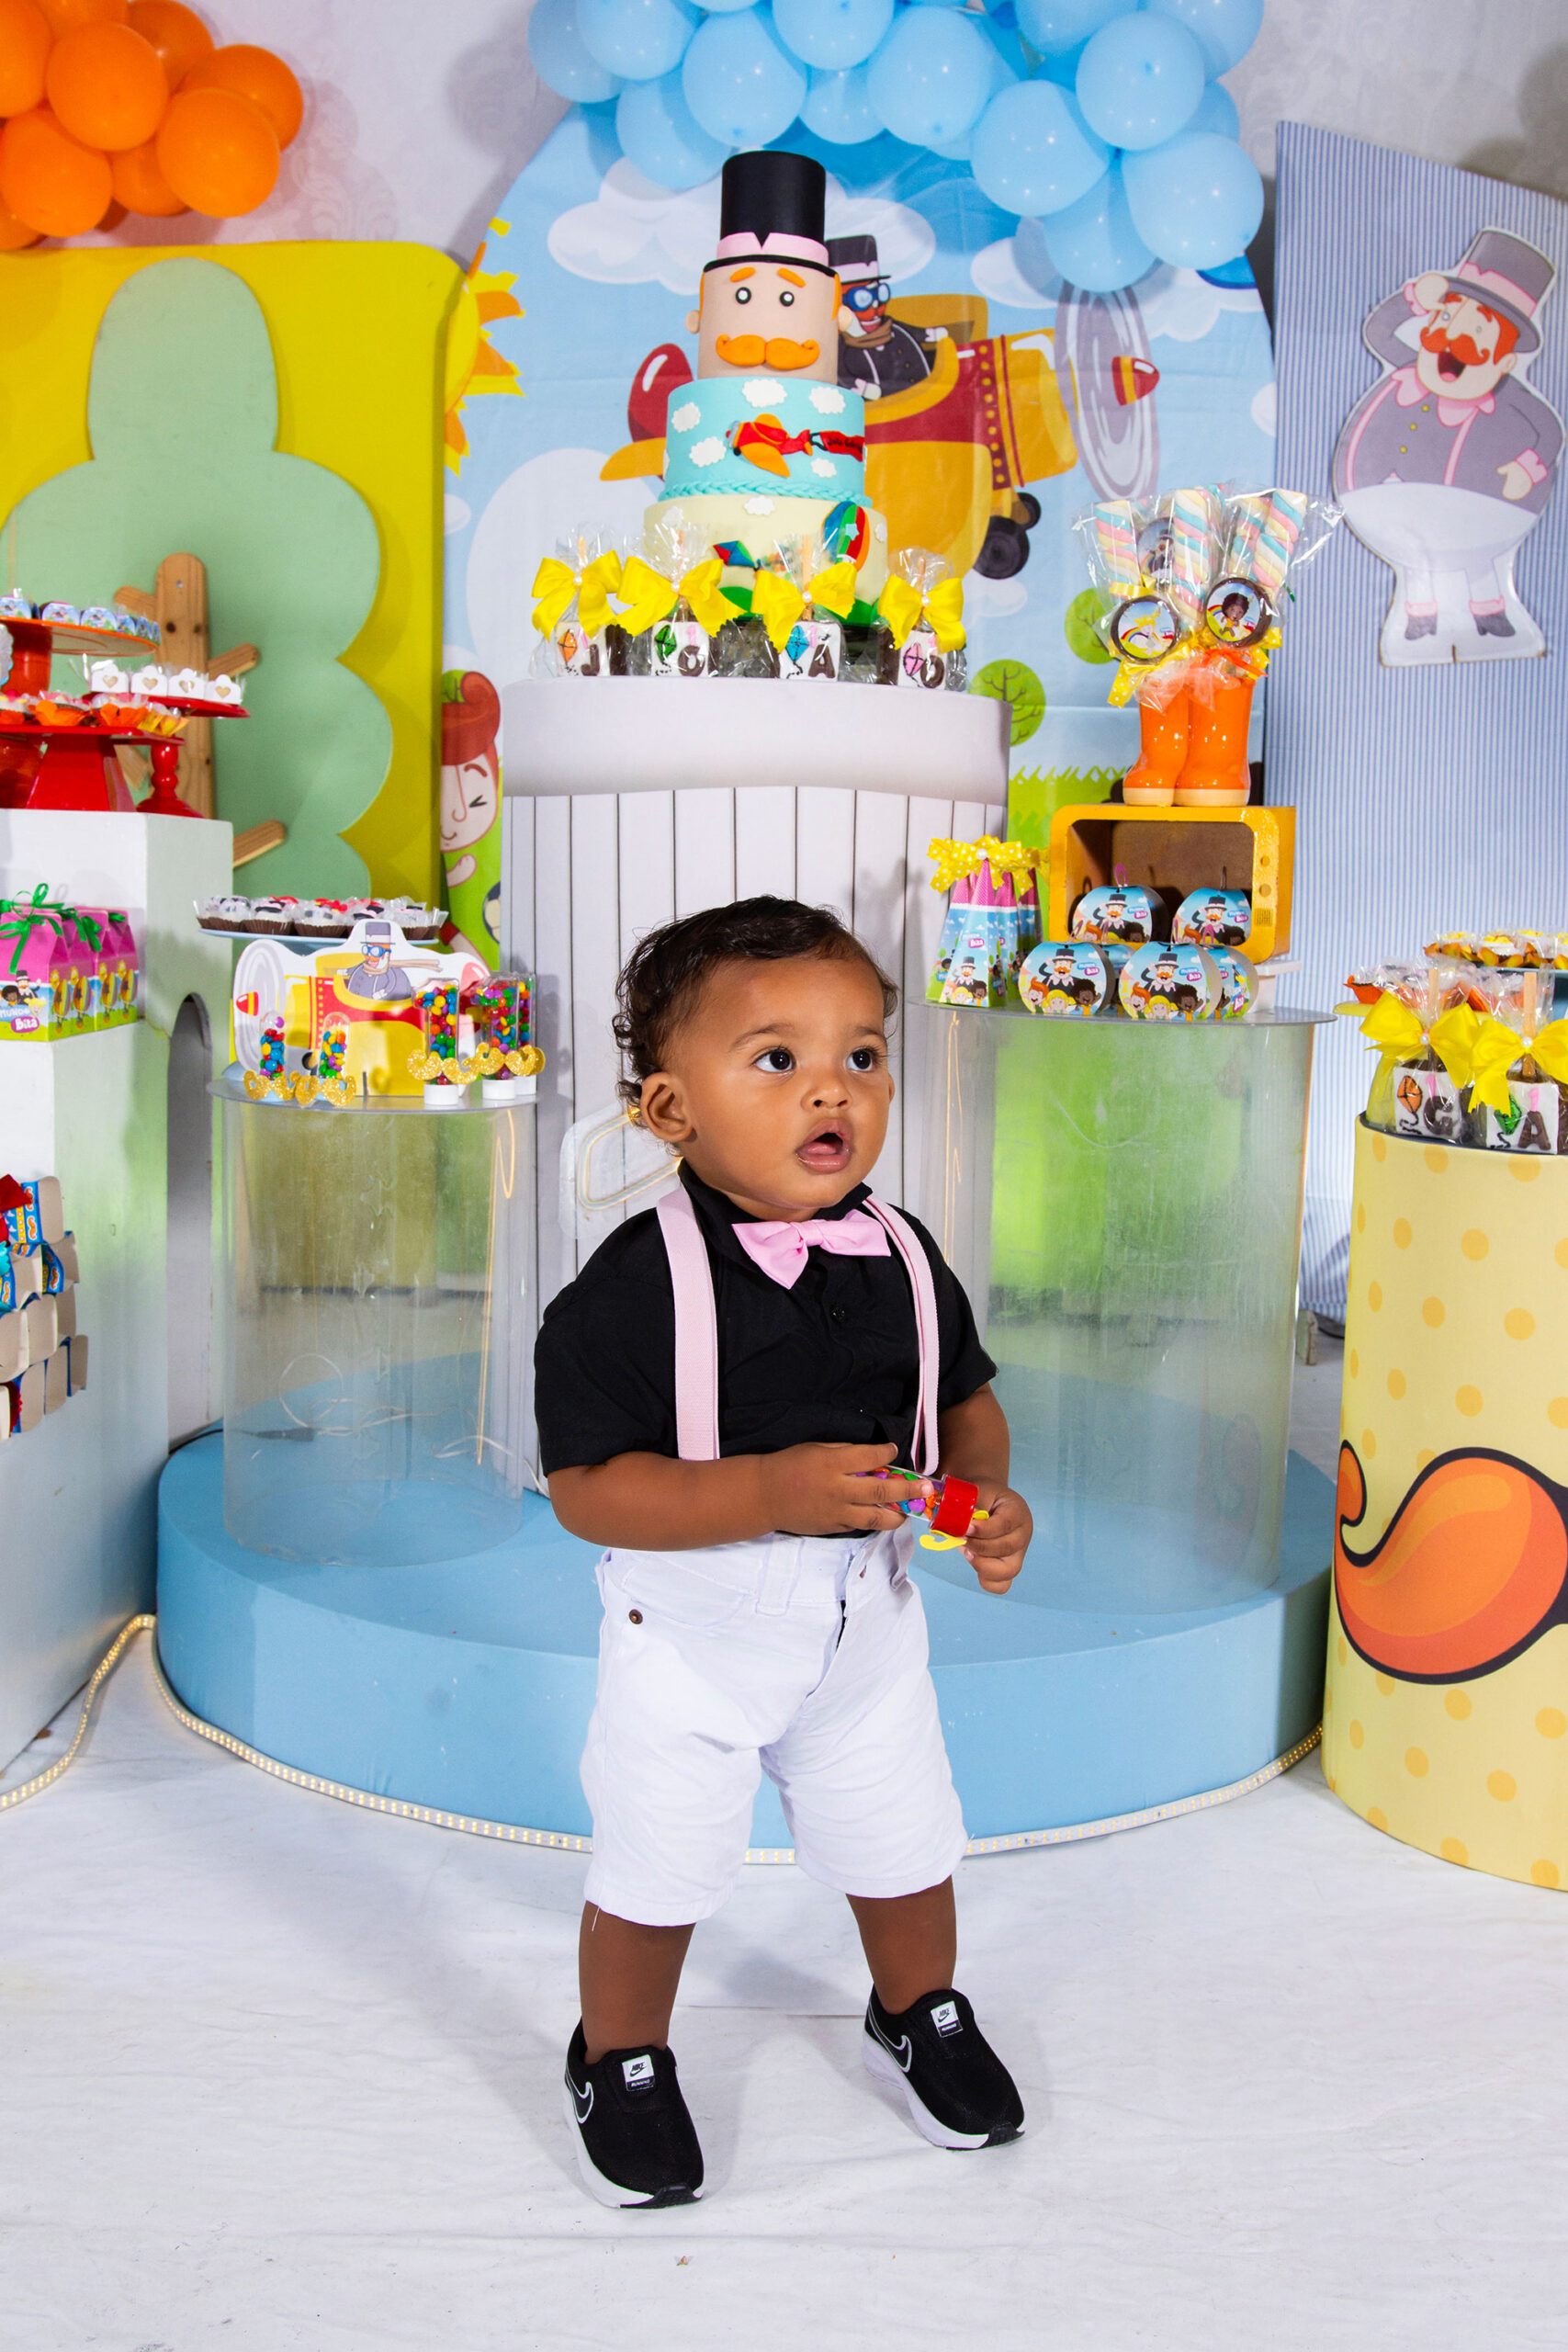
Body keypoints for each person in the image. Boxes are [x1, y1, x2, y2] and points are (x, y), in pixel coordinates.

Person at [536, 898, 1031, 2210]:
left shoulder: (904, 1256)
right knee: (658, 1863)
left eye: (862, 1056)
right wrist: (762, 1488)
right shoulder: (629, 1294)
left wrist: (978, 1499)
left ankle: (917, 2008)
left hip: (866, 1627)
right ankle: (619, 2053)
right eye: (776, 1059)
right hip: (693, 1636)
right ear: (669, 1110)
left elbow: (958, 1404)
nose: (833, 1088)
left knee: (904, 1840)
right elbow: (586, 1491)